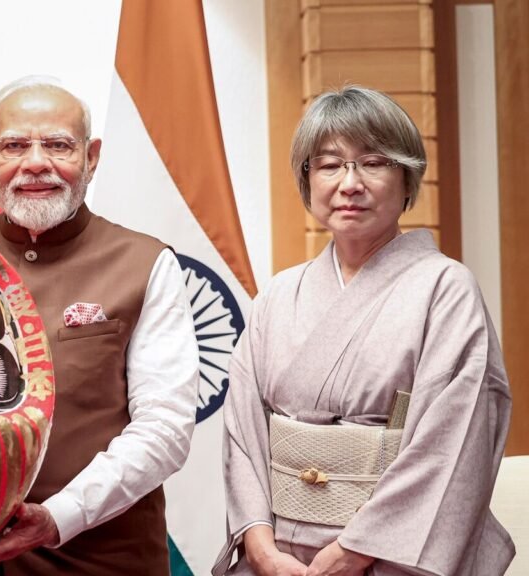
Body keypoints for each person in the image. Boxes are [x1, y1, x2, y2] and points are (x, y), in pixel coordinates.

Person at [214, 86, 514, 576]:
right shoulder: (277, 295)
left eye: (373, 162)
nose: (349, 183)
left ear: (407, 177)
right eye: (329, 165)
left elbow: (453, 440)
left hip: (391, 555)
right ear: (307, 180)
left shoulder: (445, 288)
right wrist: (260, 547)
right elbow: (243, 434)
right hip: (276, 556)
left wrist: (354, 551)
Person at [0, 76, 199, 575]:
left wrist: (59, 517)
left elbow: (165, 428)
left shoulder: (145, 262)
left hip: (101, 559)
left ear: (91, 157)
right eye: (14, 146)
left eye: (57, 145)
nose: (34, 163)